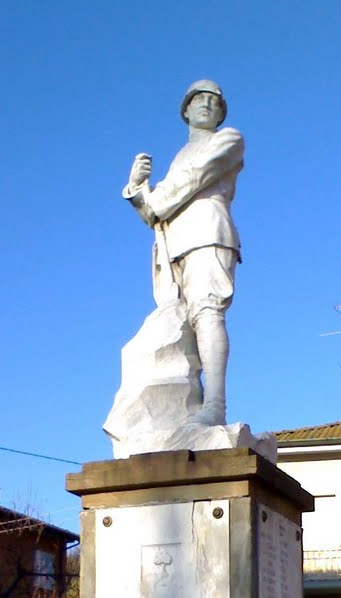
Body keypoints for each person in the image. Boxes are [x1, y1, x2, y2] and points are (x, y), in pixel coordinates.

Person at [123, 80, 244, 426]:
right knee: (182, 327)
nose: (206, 104)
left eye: (213, 101)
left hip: (209, 234)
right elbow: (153, 215)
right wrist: (137, 189)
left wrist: (155, 199)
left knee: (208, 314)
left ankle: (215, 406)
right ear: (186, 110)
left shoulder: (229, 140)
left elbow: (194, 179)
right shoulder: (178, 157)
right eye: (198, 99)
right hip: (174, 249)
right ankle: (183, 412)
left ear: (221, 112)